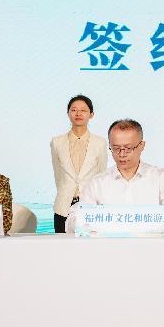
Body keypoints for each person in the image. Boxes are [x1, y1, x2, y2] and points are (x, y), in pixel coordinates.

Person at [66, 119, 164, 233]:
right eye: (116, 148)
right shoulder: (98, 183)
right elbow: (71, 223)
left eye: (128, 148)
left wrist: (142, 219)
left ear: (141, 146)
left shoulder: (160, 178)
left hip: (150, 247)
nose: (122, 154)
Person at [50, 95, 107, 233]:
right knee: (62, 244)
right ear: (68, 113)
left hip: (90, 206)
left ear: (91, 114)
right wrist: (66, 192)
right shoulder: (57, 142)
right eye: (74, 110)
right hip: (63, 206)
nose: (78, 113)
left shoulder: (100, 143)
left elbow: (101, 175)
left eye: (83, 110)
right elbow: (58, 175)